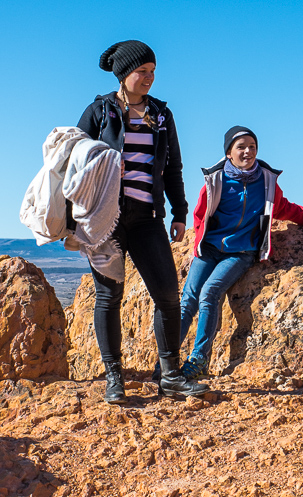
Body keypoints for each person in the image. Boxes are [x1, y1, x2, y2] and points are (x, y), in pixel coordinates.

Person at [78, 40, 208, 403]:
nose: (149, 78)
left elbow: (173, 167)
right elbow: (72, 160)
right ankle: (114, 377)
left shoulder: (161, 114)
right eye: (142, 71)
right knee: (109, 296)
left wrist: (179, 212)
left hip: (147, 216)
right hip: (106, 219)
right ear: (124, 74)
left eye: (153, 72)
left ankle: (171, 376)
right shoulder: (100, 111)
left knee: (168, 295)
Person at [178, 126, 303, 378]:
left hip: (241, 252)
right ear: (229, 153)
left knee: (210, 292)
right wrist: (197, 245)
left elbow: (282, 207)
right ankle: (167, 360)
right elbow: (200, 214)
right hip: (209, 248)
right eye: (241, 147)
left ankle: (199, 360)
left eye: (252, 147)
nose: (248, 151)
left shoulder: (266, 180)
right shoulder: (217, 179)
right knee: (188, 300)